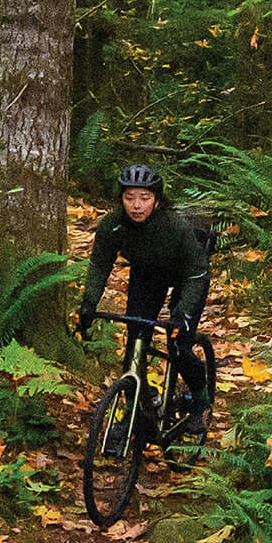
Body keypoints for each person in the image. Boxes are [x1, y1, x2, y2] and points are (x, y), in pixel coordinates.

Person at [74, 163, 214, 421]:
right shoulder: (113, 225)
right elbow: (100, 265)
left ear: (157, 201)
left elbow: (197, 273)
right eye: (129, 198)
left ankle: (201, 401)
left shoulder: (175, 226)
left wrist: (182, 314)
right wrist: (89, 304)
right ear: (121, 199)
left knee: (178, 346)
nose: (136, 206)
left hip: (187, 277)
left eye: (144, 198)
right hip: (148, 274)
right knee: (135, 344)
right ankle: (134, 412)